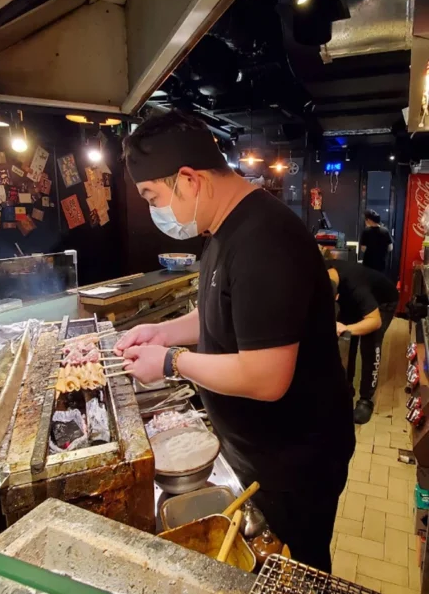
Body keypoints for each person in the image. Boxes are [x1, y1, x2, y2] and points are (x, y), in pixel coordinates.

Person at [115, 109, 354, 572]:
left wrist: (170, 361)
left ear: (189, 180)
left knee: (294, 571)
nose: (153, 211)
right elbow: (220, 311)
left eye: (152, 196)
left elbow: (266, 378)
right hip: (256, 451)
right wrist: (163, 332)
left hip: (293, 461)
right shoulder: (223, 228)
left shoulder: (265, 239)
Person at [326, 258, 398, 424]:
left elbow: (375, 321)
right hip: (350, 300)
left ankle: (366, 400)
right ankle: (345, 387)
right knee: (344, 341)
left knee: (370, 343)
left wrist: (347, 328)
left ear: (336, 296)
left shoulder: (357, 287)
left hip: (382, 302)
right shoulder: (319, 270)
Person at [359, 210, 393, 274]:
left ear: (369, 220)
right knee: (379, 279)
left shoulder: (366, 231)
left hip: (368, 264)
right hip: (381, 264)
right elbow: (390, 248)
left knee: (368, 279)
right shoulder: (385, 231)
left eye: (365, 220)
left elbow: (363, 249)